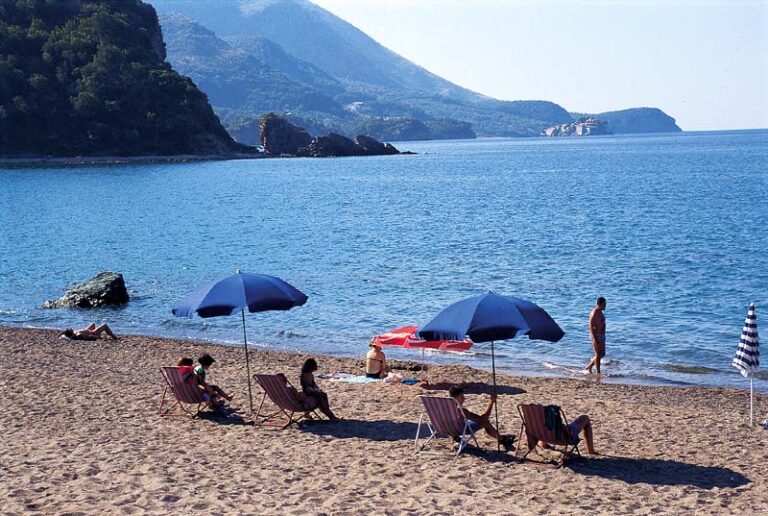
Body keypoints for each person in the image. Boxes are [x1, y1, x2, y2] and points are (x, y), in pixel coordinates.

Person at [449, 386, 515, 451]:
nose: (464, 399)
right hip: (460, 429)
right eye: (461, 397)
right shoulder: (461, 411)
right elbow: (483, 418)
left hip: (448, 429)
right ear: (455, 398)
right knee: (485, 423)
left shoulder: (443, 408)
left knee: (468, 421)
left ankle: (456, 437)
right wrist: (491, 402)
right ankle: (502, 439)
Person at [584, 297, 607, 374]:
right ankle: (598, 372)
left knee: (602, 354)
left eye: (605, 304)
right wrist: (595, 337)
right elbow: (591, 325)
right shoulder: (595, 313)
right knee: (598, 354)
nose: (605, 306)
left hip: (601, 335)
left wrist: (603, 335)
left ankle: (590, 366)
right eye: (604, 304)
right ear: (599, 304)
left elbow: (603, 324)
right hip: (596, 335)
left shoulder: (601, 312)